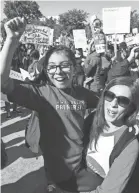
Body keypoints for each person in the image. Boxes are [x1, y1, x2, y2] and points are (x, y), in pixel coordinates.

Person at [1, 17, 139, 193]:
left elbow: (110, 104)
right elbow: (2, 81)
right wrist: (11, 40)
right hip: (59, 174)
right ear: (46, 70)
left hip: (83, 171)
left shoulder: (82, 93)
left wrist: (131, 120)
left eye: (64, 65)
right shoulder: (42, 94)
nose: (58, 72)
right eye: (52, 67)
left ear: (74, 68)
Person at [82, 76, 139, 193]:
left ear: (131, 107)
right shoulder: (91, 120)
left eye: (123, 101)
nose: (113, 104)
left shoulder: (128, 143)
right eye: (109, 96)